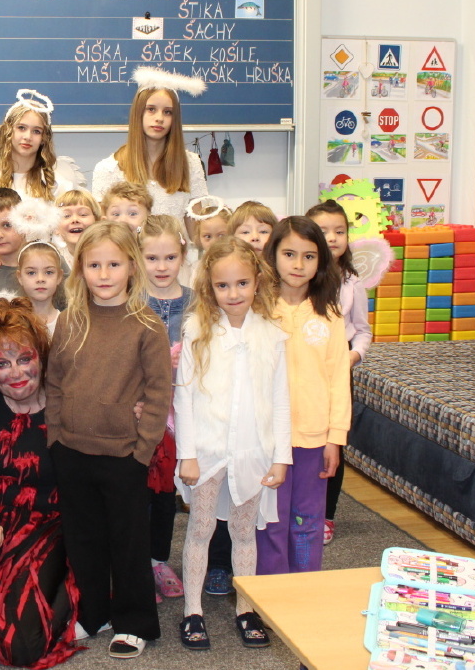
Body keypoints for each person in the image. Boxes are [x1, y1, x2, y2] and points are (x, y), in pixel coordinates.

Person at [45, 222, 171, 659]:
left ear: (132, 267)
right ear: (80, 268)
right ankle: (94, 612)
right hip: (71, 451)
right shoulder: (70, 320)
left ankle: (134, 621)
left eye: (114, 264)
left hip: (123, 456)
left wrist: (142, 450)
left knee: (128, 543)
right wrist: (56, 438)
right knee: (84, 541)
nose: (103, 274)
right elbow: (55, 382)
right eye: (94, 264)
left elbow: (159, 392)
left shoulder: (147, 326)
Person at [174, 238, 291, 651]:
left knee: (244, 531)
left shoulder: (272, 335)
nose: (234, 293)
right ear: (210, 287)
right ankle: (192, 610)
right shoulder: (197, 331)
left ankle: (246, 608)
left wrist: (281, 457)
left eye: (242, 283)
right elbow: (184, 396)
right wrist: (187, 455)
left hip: (252, 453)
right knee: (201, 528)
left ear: (257, 281)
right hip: (206, 452)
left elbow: (280, 400)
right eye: (223, 286)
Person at [0, 299, 82, 670]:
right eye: (1, 363)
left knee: (18, 647)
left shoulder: (66, 401)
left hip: (49, 525)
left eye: (24, 358)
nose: (15, 373)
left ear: (41, 357)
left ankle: (83, 588)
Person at [256, 217, 349, 575]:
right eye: (289, 254)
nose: (298, 264)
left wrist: (335, 438)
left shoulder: (330, 315)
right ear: (273, 256)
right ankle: (269, 594)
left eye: (309, 256)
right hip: (268, 439)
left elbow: (338, 379)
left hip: (314, 439)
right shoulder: (258, 310)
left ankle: (304, 588)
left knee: (307, 521)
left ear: (320, 261)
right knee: (270, 521)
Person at [306, 199, 373, 546]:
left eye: (340, 231)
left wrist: (352, 356)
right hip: (303, 367)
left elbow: (362, 330)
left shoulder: (351, 282)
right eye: (323, 231)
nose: (332, 238)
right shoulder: (298, 277)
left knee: (333, 443)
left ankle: (326, 515)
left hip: (337, 368)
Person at [138, 214, 190, 606]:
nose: (161, 266)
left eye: (169, 257)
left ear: (182, 257)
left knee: (165, 493)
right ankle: (136, 564)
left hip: (183, 415)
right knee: (139, 491)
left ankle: (158, 560)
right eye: (152, 258)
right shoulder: (131, 301)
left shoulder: (197, 302)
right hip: (140, 413)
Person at [91, 68, 208, 221]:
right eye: (151, 109)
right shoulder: (108, 169)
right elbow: (104, 229)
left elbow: (197, 228)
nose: (159, 118)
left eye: (168, 112)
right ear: (138, 113)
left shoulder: (190, 164)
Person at [0, 89, 82, 205]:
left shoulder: (58, 180)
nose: (28, 137)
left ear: (44, 138)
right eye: (21, 128)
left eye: (36, 131)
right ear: (8, 131)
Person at [15, 242, 64, 337]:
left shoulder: (68, 323)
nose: (40, 279)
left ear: (59, 277)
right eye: (31, 273)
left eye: (49, 272)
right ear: (20, 277)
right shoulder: (12, 323)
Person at [54, 189, 100, 262]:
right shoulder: (53, 260)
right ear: (55, 227)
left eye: (83, 214)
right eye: (66, 215)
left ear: (97, 222)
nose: (75, 219)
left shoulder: (110, 255)